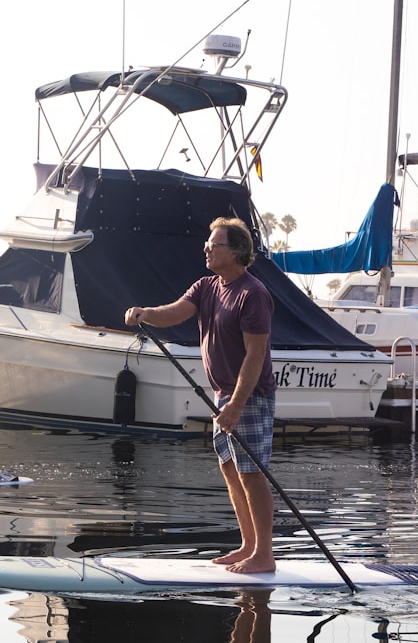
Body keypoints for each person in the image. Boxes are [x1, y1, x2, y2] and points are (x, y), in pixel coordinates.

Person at [124, 216, 277, 574]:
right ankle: (248, 546)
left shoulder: (253, 294)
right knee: (231, 471)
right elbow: (174, 313)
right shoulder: (206, 287)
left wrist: (236, 406)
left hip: (249, 397)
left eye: (215, 243)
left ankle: (265, 555)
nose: (206, 248)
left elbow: (256, 356)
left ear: (237, 251)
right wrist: (144, 313)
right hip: (222, 396)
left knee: (251, 473)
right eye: (207, 243)